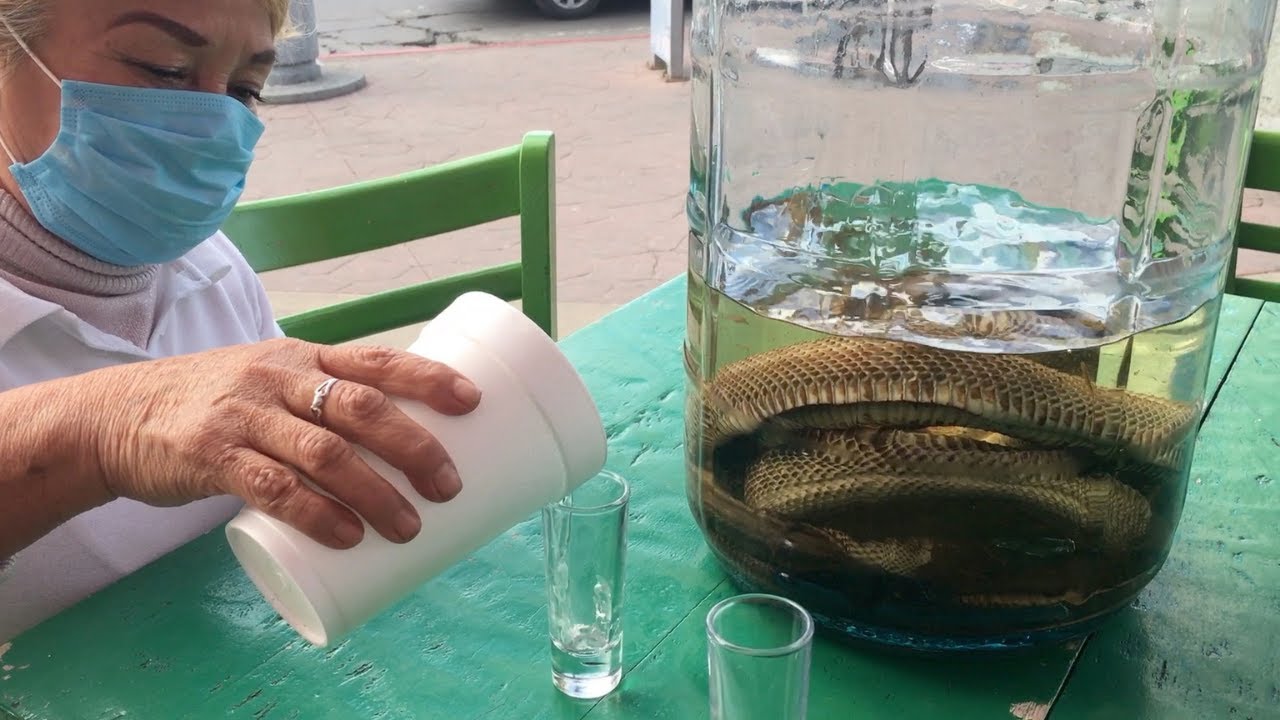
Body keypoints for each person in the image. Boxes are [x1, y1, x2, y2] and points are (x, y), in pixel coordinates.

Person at [0, 0, 481, 642]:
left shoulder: (208, 263)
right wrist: (102, 432)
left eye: (244, 90)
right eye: (164, 69)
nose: (214, 122)